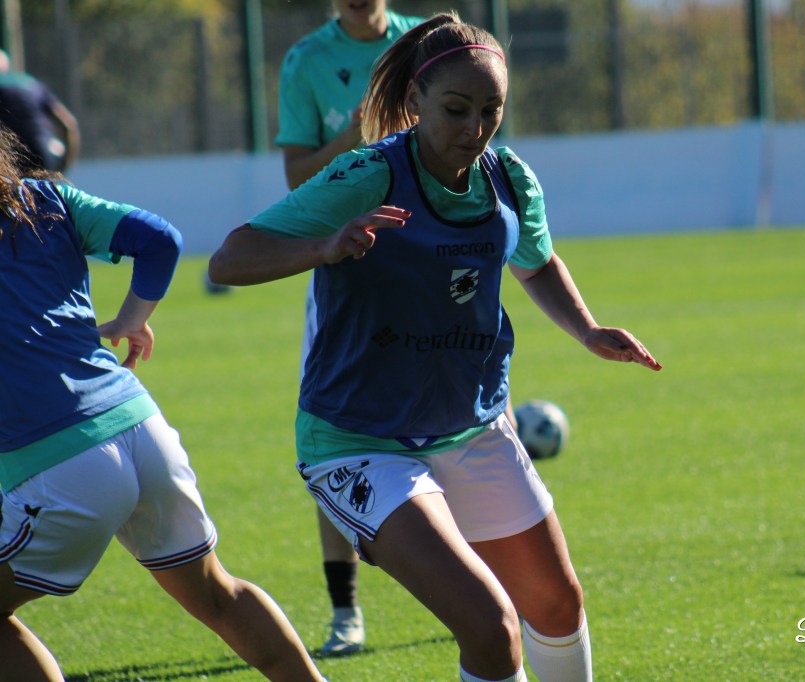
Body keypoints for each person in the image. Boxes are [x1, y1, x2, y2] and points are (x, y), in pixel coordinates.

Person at [209, 12, 662, 682]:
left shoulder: (508, 179)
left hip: (472, 428)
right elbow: (230, 259)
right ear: (416, 100)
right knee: (491, 627)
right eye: (456, 109)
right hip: (360, 442)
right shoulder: (367, 175)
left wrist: (588, 329)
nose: (474, 128)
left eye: (490, 111)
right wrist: (326, 246)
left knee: (557, 604)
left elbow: (537, 263)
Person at [0, 128, 325, 682]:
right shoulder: (48, 198)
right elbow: (159, 238)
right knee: (217, 594)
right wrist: (132, 318)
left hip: (59, 464)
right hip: (139, 426)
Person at [276, 0, 422, 657]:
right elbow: (296, 178)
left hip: (429, 258)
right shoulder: (306, 60)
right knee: (334, 430)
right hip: (347, 270)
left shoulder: (427, 43)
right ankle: (346, 612)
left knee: (463, 422)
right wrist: (354, 135)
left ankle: (484, 588)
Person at [0, 50, 80, 173]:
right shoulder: (33, 84)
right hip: (44, 152)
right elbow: (68, 124)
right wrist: (65, 164)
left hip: (10, 158)